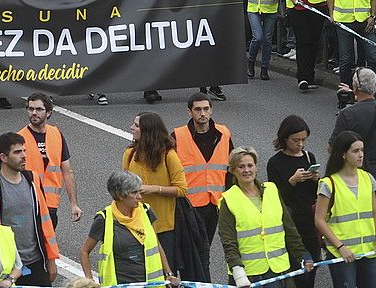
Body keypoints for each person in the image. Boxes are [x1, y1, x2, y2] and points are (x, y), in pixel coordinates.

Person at [218, 146, 313, 288]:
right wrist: (238, 273)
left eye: (250, 165)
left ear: (256, 167)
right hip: (250, 275)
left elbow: (289, 227)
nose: (247, 170)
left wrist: (302, 254)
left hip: (279, 269)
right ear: (233, 170)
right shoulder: (228, 200)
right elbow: (228, 241)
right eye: (241, 167)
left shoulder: (272, 190)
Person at [80, 170, 179, 287]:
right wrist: (89, 281)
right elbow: (84, 252)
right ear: (121, 195)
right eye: (134, 193)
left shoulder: (146, 212)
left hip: (150, 284)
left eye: (139, 191)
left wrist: (168, 273)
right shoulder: (104, 219)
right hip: (119, 284)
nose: (140, 197)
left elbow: (156, 244)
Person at [0, 131, 60, 286]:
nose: (24, 156)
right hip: (5, 265)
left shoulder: (32, 179)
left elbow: (45, 221)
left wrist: (51, 259)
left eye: (24, 151)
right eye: (18, 152)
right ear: (3, 157)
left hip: (35, 261)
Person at [173, 93, 232, 276]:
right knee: (201, 252)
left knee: (199, 252)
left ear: (211, 110)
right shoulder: (178, 136)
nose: (203, 113)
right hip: (189, 206)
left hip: (214, 204)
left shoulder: (223, 134)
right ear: (189, 112)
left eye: (206, 109)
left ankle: (193, 280)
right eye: (198, 109)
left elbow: (230, 169)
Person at [315, 131, 376, 288]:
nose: (361, 155)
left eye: (362, 150)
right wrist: (340, 247)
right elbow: (319, 220)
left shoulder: (367, 178)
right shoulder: (329, 183)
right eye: (355, 151)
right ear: (343, 154)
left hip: (369, 249)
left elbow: (375, 212)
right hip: (342, 252)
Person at [123, 112, 187, 260]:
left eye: (137, 125)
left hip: (163, 227)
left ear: (148, 131)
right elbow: (123, 184)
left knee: (164, 272)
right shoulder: (130, 153)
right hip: (135, 225)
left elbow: (182, 189)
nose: (131, 128)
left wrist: (154, 189)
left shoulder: (169, 155)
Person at [267, 115, 321, 288]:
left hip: (310, 221)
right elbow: (275, 198)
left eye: (303, 140)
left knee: (313, 266)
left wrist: (316, 180)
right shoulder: (275, 162)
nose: (300, 144)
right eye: (296, 140)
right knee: (295, 272)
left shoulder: (308, 156)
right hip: (290, 223)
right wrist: (292, 181)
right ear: (285, 138)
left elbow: (317, 193)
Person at [19, 92, 82, 228]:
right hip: (28, 203)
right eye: (31, 109)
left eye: (39, 109)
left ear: (48, 112)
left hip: (51, 204)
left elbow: (67, 172)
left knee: (48, 244)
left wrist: (73, 204)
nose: (34, 113)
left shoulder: (57, 135)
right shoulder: (19, 138)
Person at [327, 0, 376, 104]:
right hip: (344, 21)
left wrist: (372, 15)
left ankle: (371, 96)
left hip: (365, 20)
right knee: (346, 60)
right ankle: (345, 97)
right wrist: (332, 14)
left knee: (372, 57)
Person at [332, 67, 376, 178]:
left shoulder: (347, 114)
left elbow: (333, 147)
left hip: (358, 173)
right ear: (375, 87)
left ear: (355, 87)